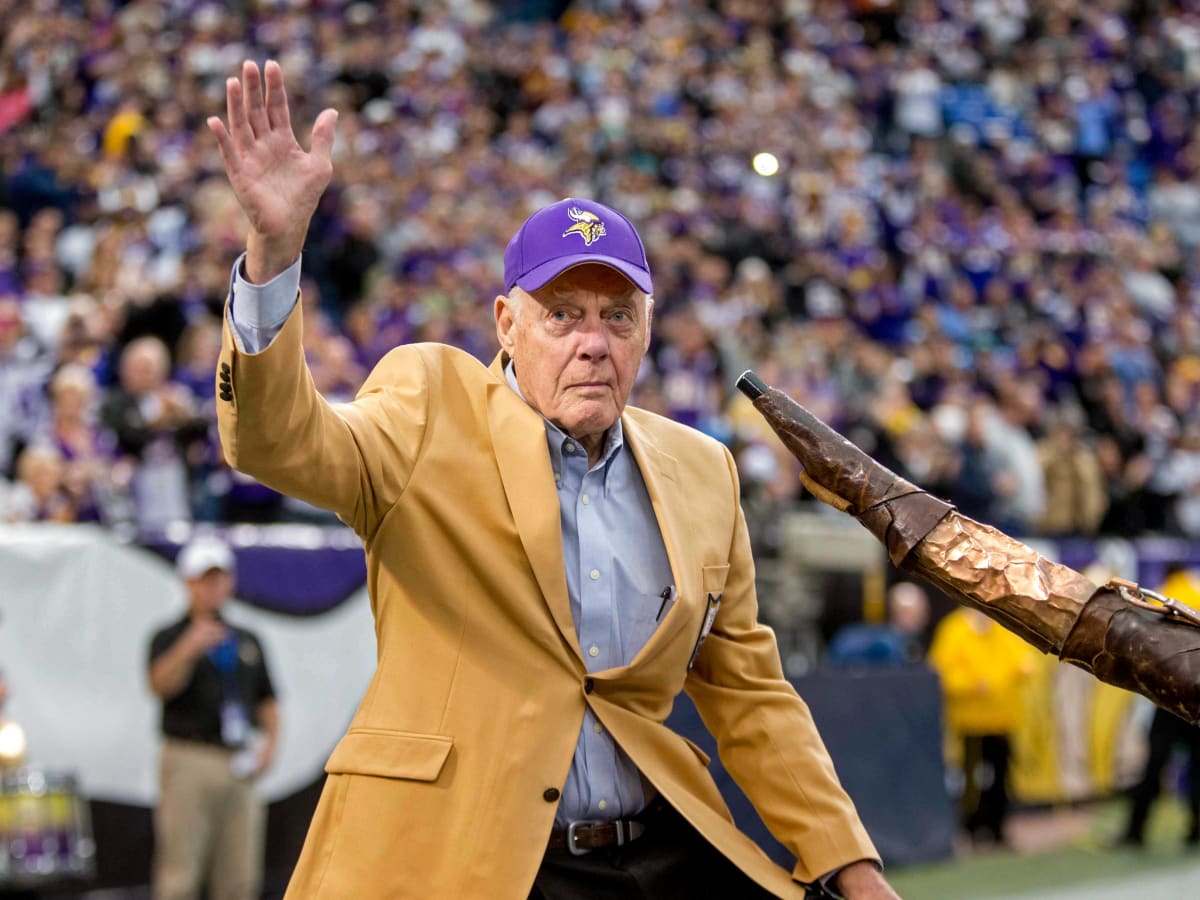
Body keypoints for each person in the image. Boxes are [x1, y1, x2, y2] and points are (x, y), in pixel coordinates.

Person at [205, 59, 896, 899]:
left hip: (650, 859)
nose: (592, 342)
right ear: (507, 322)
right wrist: (275, 257)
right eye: (562, 315)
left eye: (617, 317)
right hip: (462, 860)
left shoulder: (702, 470)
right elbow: (280, 443)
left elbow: (750, 693)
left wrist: (850, 867)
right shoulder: (429, 401)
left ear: (648, 332)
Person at [147, 535, 278, 900]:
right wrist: (188, 649)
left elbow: (268, 699)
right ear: (188, 583)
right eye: (205, 579)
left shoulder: (246, 639)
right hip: (189, 759)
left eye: (220, 578)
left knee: (239, 875)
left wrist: (270, 746)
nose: (214, 587)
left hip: (239, 762)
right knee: (180, 872)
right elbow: (159, 685)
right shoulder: (168, 636)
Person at [928, 607, 1033, 849]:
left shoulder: (1002, 627)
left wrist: (1018, 672)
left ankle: (998, 827)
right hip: (970, 722)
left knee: (1001, 775)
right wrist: (972, 685)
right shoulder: (954, 629)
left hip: (1002, 720)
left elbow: (1023, 661)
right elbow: (942, 671)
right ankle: (972, 827)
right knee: (971, 779)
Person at [1118, 562, 1200, 847]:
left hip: (1172, 692)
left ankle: (1135, 831)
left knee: (1154, 765)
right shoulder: (1195, 592)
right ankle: (1196, 831)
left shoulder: (1167, 594)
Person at [827, 581, 930, 667]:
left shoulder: (914, 644)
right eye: (917, 613)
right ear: (899, 612)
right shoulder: (884, 645)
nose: (924, 619)